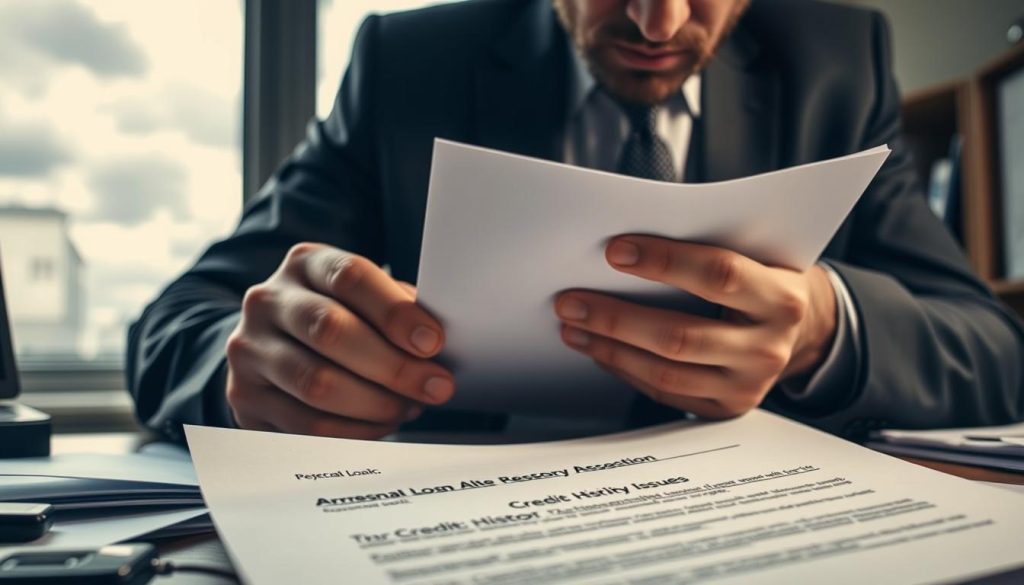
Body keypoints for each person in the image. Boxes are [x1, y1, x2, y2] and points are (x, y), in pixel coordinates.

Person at [127, 0, 1024, 444]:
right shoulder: (406, 65)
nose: (657, 21)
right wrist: (266, 372)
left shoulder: (840, 63)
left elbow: (993, 350)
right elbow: (179, 331)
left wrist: (825, 328)